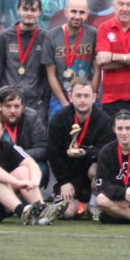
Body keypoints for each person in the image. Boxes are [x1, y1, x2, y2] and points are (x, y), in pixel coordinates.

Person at [47, 79, 115, 221]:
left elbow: (106, 152)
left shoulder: (105, 120)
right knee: (67, 213)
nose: (82, 100)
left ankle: (93, 204)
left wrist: (86, 153)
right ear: (70, 96)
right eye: (78, 96)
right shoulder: (59, 118)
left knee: (96, 169)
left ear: (94, 97)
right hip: (68, 176)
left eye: (86, 96)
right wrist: (64, 181)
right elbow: (53, 153)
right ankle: (78, 205)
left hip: (91, 175)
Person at [0, 0, 49, 114]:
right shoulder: (4, 36)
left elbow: (47, 74)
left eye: (33, 10)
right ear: (18, 10)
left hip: (35, 104)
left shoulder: (45, 38)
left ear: (39, 12)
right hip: (9, 103)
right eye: (25, 9)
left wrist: (44, 102)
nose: (29, 13)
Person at [42, 0, 98, 117]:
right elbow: (51, 75)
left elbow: (97, 70)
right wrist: (65, 104)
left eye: (81, 12)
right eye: (73, 11)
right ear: (66, 12)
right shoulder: (51, 36)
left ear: (87, 14)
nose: (77, 16)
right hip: (60, 99)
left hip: (86, 98)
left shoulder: (93, 34)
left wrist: (90, 97)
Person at [0, 86, 49, 186]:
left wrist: (20, 154)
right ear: (0, 106)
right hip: (0, 164)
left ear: (23, 107)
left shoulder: (32, 117)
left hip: (27, 160)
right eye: (8, 106)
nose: (12, 110)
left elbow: (44, 149)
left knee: (42, 169)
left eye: (16, 106)